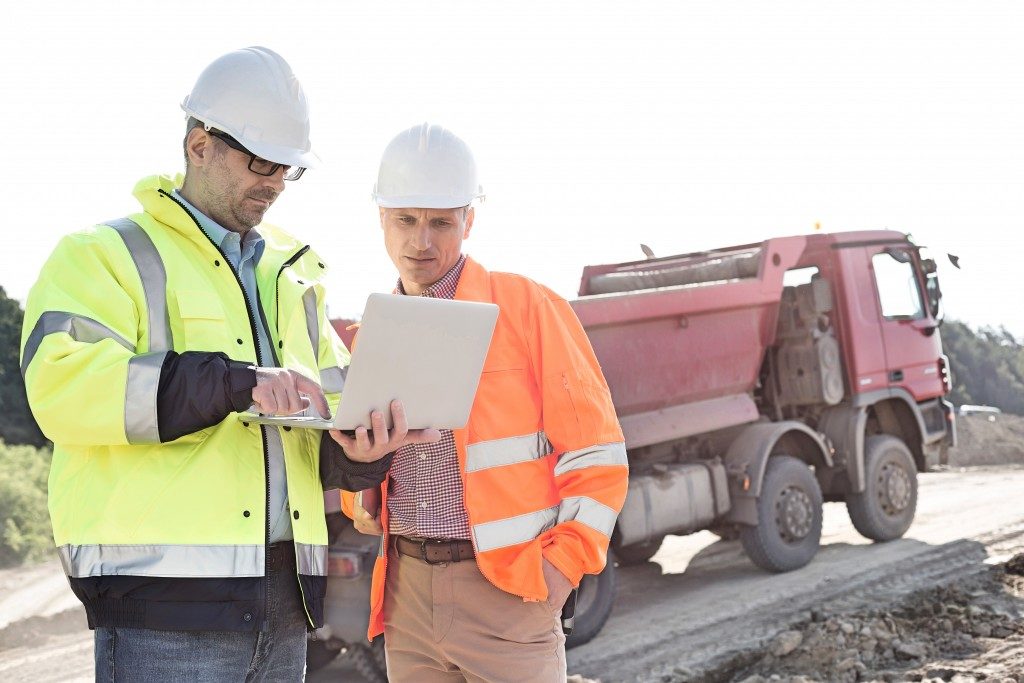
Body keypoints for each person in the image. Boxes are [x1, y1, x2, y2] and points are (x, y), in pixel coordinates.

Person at [20, 47, 436, 682]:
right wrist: (233, 383)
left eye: (287, 169)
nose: (272, 182)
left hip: (285, 605)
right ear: (199, 145)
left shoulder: (292, 278)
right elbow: (62, 388)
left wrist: (361, 451)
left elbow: (322, 426)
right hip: (160, 613)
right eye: (261, 162)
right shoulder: (103, 256)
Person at [345, 123, 629, 682]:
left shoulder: (526, 308)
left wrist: (556, 575)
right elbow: (362, 493)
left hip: (509, 594)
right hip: (407, 599)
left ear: (468, 221)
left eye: (440, 222)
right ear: (381, 220)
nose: (421, 242)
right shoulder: (369, 335)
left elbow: (598, 458)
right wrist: (359, 476)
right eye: (405, 220)